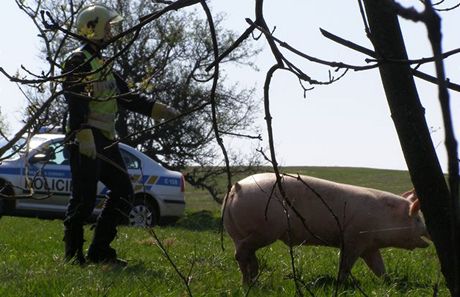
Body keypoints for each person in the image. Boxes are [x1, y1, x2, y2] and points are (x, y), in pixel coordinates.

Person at [61, 3, 177, 265]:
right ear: (93, 28)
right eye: (107, 27)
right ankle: (72, 256)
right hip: (86, 139)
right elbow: (74, 98)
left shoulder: (104, 64)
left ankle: (100, 251)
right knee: (84, 198)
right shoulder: (76, 60)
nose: (111, 33)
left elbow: (128, 98)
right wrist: (82, 134)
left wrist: (161, 110)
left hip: (105, 140)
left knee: (124, 191)